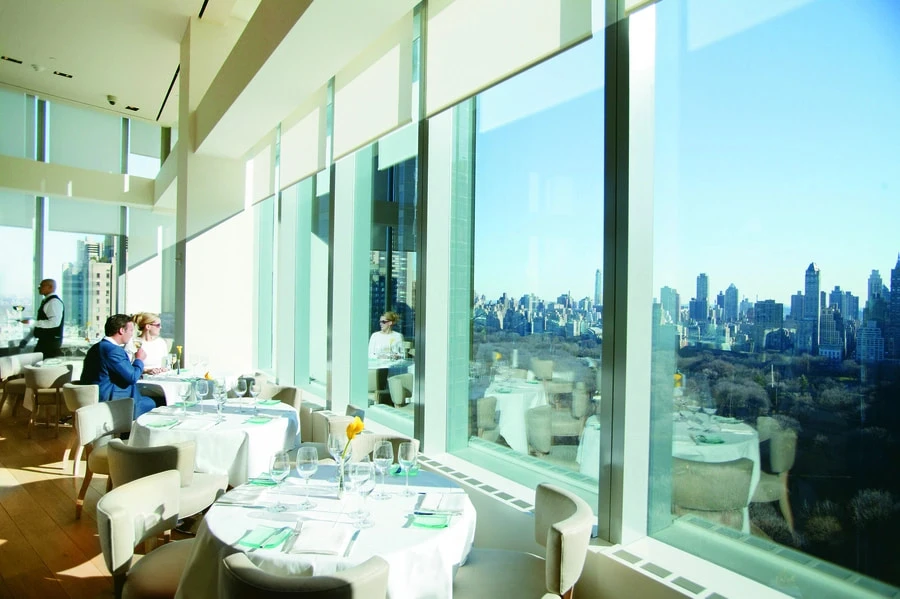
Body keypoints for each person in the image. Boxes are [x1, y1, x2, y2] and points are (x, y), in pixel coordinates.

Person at [80, 314, 155, 419]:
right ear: (121, 330)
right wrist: (139, 359)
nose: (131, 335)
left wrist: (141, 370)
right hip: (110, 399)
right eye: (131, 331)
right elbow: (132, 377)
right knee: (155, 402)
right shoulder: (113, 350)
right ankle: (130, 432)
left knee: (148, 399)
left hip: (98, 395)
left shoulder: (98, 346)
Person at [20, 279, 65, 358]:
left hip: (50, 344)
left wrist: (32, 322)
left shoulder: (54, 302)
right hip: (45, 343)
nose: (39, 288)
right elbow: (41, 325)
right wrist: (26, 339)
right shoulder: (47, 301)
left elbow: (54, 323)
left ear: (50, 287)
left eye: (42, 286)